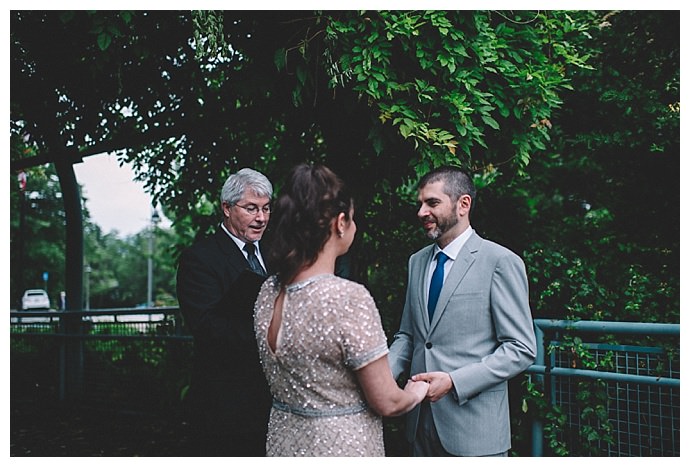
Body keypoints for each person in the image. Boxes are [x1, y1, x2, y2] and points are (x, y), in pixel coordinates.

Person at [253, 163, 429, 457]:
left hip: (284, 444)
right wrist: (417, 391)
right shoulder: (348, 299)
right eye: (353, 218)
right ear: (340, 223)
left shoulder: (268, 292)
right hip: (341, 447)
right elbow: (387, 401)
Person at [388, 165, 537, 457]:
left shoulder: (500, 261)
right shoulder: (416, 262)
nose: (421, 212)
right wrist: (381, 379)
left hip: (475, 433)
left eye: (432, 203)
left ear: (463, 204)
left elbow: (521, 348)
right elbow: (407, 336)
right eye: (420, 204)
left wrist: (455, 382)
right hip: (419, 426)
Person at [176, 167, 273, 456]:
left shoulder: (277, 252)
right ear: (227, 208)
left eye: (267, 208)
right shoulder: (200, 259)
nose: (261, 218)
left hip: (273, 404)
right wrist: (275, 335)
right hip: (225, 410)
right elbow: (208, 329)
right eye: (251, 208)